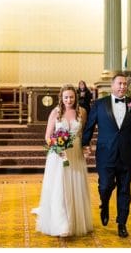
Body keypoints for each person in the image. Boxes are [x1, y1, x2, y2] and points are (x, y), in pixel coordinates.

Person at [81, 73, 131, 239]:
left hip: (127, 154)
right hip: (105, 154)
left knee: (125, 189)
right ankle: (104, 204)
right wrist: (84, 144)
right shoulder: (98, 104)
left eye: (125, 84)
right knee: (105, 186)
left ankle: (122, 223)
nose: (122, 87)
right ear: (112, 86)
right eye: (119, 83)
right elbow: (89, 127)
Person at [34, 85, 93, 237]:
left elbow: (84, 133)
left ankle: (75, 221)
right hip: (59, 156)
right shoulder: (56, 112)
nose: (68, 100)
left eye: (71, 97)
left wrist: (87, 146)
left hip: (75, 154)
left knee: (75, 186)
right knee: (60, 187)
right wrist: (57, 147)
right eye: (66, 97)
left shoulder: (82, 112)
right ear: (61, 98)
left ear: (75, 97)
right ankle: (61, 224)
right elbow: (47, 136)